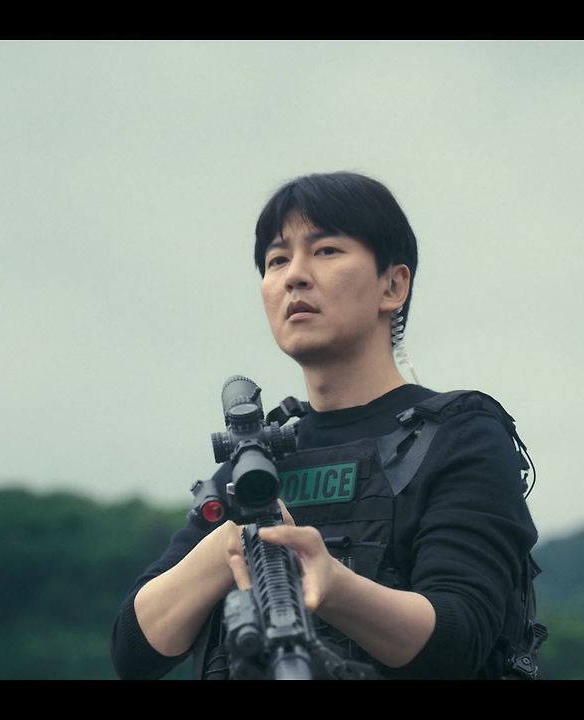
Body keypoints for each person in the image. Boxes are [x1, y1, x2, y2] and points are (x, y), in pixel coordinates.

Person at [110, 171, 539, 680]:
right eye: (277, 260)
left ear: (392, 285)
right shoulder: (256, 464)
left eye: (326, 250)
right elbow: (133, 651)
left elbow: (458, 638)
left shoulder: (459, 434)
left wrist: (332, 585)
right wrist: (229, 548)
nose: (294, 275)